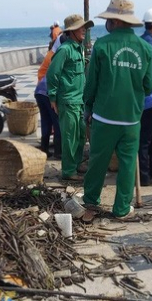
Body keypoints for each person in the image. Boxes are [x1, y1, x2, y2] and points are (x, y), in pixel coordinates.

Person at [83, 0, 152, 220]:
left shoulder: (103, 45)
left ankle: (91, 202)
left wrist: (88, 106)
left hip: (104, 117)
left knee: (98, 161)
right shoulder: (144, 47)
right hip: (131, 119)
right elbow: (150, 85)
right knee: (127, 164)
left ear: (113, 21)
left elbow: (91, 83)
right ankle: (122, 208)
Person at [46, 14, 94, 181]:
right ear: (72, 31)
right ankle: (68, 171)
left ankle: (78, 163)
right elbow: (53, 73)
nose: (84, 30)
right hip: (68, 101)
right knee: (70, 137)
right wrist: (52, 98)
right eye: (81, 28)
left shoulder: (78, 49)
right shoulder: (65, 50)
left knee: (80, 135)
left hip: (79, 100)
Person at [35, 33, 68, 159]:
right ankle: (58, 152)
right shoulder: (58, 56)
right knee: (57, 122)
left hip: (39, 91)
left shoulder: (52, 53)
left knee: (46, 121)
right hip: (49, 93)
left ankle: (44, 149)